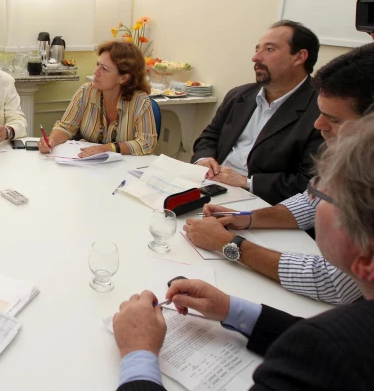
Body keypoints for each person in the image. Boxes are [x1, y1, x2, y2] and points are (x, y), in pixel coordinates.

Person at [113, 113, 374, 390]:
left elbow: (319, 346)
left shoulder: (325, 350)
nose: (309, 203)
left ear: (366, 260)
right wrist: (232, 310)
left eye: (318, 196)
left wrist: (138, 354)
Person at [184, 43, 374, 305]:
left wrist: (231, 245)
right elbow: (310, 202)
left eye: (335, 120)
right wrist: (243, 218)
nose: (319, 125)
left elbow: (335, 282)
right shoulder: (353, 154)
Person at [192, 20, 323, 204]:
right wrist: (204, 159)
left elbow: (310, 182)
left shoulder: (322, 110)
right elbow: (209, 136)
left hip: (264, 203)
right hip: (211, 185)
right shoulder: (239, 95)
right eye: (257, 49)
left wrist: (247, 182)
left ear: (299, 57)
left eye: (269, 49)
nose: (256, 58)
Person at [38, 40, 157, 156]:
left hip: (124, 169)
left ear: (124, 78)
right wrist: (52, 140)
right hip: (87, 166)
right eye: (98, 65)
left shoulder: (140, 101)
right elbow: (66, 127)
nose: (96, 71)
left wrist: (108, 148)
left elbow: (147, 143)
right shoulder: (86, 92)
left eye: (104, 69)